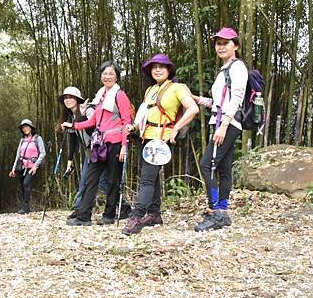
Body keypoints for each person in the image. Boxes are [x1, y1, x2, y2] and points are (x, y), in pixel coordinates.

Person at [122, 54, 199, 235]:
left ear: (169, 70)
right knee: (151, 176)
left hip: (161, 139)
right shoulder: (150, 90)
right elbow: (144, 114)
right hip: (146, 137)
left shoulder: (177, 88)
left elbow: (193, 108)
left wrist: (175, 129)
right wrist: (132, 126)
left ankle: (136, 217)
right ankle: (154, 213)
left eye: (162, 67)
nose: (157, 70)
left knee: (147, 179)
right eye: (154, 67)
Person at [62, 61, 132, 226]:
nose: (107, 77)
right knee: (90, 178)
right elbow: (93, 121)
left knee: (114, 180)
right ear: (101, 76)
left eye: (111, 74)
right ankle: (83, 216)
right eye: (104, 74)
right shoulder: (100, 96)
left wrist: (124, 146)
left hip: (115, 143)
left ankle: (108, 215)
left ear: (116, 76)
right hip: (100, 144)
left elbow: (126, 122)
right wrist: (74, 125)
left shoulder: (120, 95)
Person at [192, 27, 247, 231]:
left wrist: (223, 126)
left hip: (227, 123)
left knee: (207, 165)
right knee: (223, 168)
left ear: (236, 46)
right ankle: (222, 211)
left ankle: (215, 211)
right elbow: (218, 101)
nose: (221, 46)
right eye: (218, 43)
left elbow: (237, 98)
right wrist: (198, 100)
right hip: (222, 120)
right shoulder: (225, 70)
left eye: (226, 43)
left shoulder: (237, 67)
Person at [9, 119, 46, 214]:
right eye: (23, 127)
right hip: (22, 166)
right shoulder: (22, 140)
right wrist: (13, 169)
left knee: (26, 183)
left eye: (27, 126)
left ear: (31, 127)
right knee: (22, 186)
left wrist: (36, 166)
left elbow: (42, 153)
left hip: (32, 166)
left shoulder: (38, 138)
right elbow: (18, 155)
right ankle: (26, 207)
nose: (25, 129)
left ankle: (25, 206)